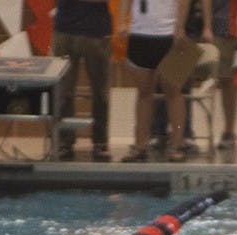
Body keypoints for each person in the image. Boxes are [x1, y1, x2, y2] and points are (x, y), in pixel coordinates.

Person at [118, 0, 206, 162]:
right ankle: (140, 146)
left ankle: (178, 144)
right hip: (140, 33)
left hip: (169, 33)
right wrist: (122, 21)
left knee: (174, 92)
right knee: (144, 92)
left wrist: (179, 27)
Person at [52, 0, 114, 162]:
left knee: (100, 91)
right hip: (65, 29)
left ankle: (100, 142)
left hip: (96, 30)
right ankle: (64, 141)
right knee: (62, 91)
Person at [211, 0, 237, 151]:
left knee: (225, 78)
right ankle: (182, 134)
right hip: (190, 24)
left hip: (223, 25)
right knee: (176, 77)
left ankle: (229, 131)